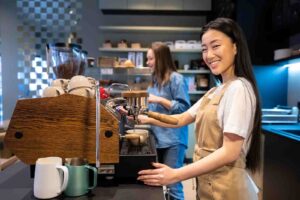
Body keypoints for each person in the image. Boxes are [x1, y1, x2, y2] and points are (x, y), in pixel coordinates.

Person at [137, 17, 262, 200]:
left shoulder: (239, 88)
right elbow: (180, 119)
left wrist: (176, 174)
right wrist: (144, 115)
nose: (209, 55)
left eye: (215, 46)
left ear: (235, 47)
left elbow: (230, 152)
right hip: (210, 186)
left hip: (228, 191)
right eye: (204, 49)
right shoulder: (215, 91)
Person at [145, 42, 191, 200]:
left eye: (150, 59)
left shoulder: (177, 79)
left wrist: (159, 99)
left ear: (160, 59)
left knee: (173, 185)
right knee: (156, 181)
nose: (147, 62)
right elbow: (151, 111)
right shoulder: (154, 81)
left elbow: (184, 110)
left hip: (174, 140)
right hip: (157, 138)